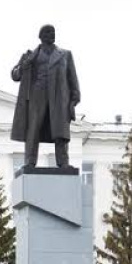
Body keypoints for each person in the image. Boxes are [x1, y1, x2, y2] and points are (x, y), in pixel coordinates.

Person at [11, 24, 81, 168]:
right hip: (37, 97)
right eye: (48, 32)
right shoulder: (30, 55)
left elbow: (72, 78)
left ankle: (63, 162)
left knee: (61, 132)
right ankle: (30, 162)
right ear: (41, 36)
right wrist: (25, 64)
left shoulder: (65, 55)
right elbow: (15, 75)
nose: (52, 34)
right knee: (33, 129)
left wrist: (74, 98)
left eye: (53, 32)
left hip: (59, 98)